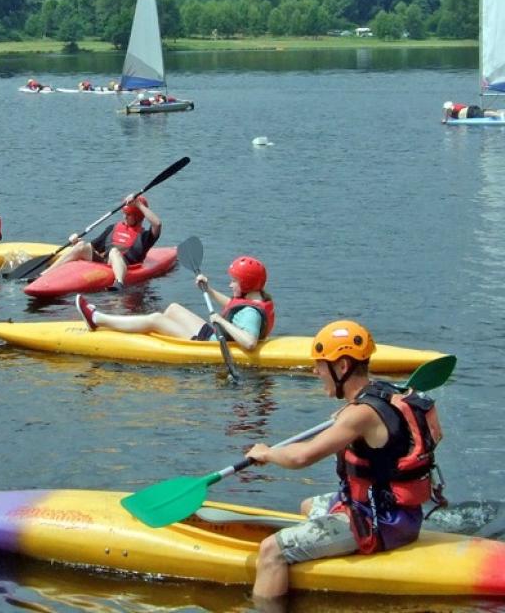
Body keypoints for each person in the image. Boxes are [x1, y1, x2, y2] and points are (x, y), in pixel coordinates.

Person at [244, 320, 445, 607]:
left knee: (271, 549)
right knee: (307, 506)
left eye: (321, 365)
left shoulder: (359, 415)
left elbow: (302, 457)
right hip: (399, 512)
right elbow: (434, 435)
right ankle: (323, 556)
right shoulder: (389, 394)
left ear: (342, 367)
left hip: (379, 522)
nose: (315, 371)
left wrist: (267, 453)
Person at [75, 255, 274, 349]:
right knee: (173, 308)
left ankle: (97, 318)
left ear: (247, 283)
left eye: (234, 281)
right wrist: (209, 290)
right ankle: (121, 321)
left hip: (208, 345)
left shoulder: (251, 314)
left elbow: (249, 343)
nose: (230, 285)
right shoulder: (252, 299)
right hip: (214, 336)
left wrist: (221, 322)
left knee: (155, 319)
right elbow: (233, 306)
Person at [50, 194, 162, 289]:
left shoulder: (145, 237)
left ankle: (119, 283)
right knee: (82, 245)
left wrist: (138, 204)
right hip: (105, 263)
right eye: (124, 213)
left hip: (127, 267)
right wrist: (76, 241)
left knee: (114, 252)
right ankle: (46, 274)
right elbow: (91, 246)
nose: (124, 217)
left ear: (138, 216)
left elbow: (157, 224)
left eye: (128, 214)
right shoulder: (113, 228)